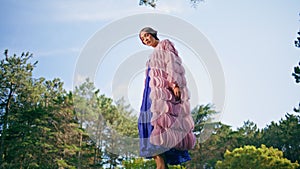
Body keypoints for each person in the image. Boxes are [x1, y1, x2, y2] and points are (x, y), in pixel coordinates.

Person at [138, 27, 196, 169]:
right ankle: (160, 164)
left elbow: (172, 64)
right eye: (142, 39)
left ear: (153, 34)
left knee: (161, 123)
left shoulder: (165, 44)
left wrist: (174, 84)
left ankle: (161, 165)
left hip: (162, 94)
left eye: (146, 35)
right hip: (150, 93)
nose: (145, 39)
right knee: (146, 124)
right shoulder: (151, 56)